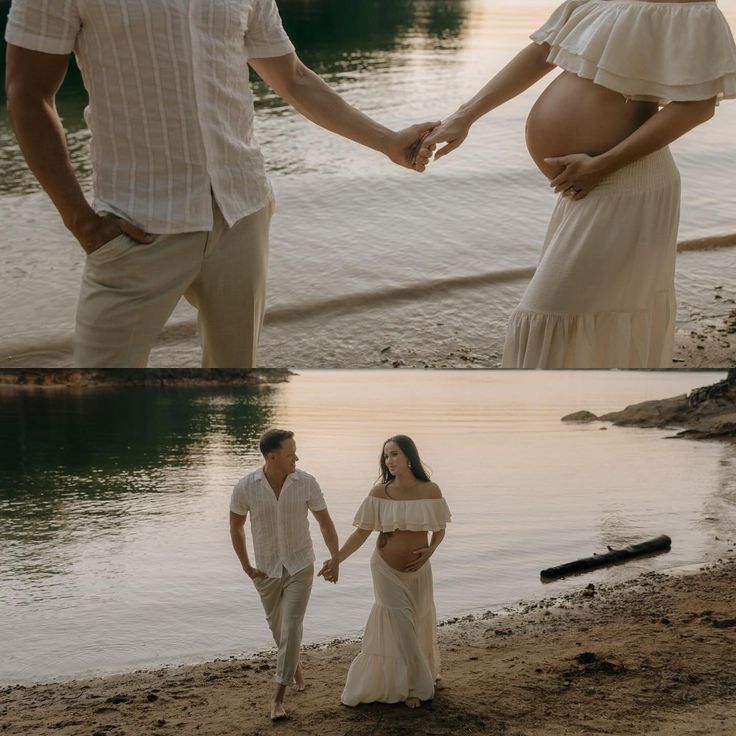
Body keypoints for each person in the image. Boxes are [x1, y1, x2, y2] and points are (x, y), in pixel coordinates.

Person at [4, 0, 436, 368]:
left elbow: (293, 78)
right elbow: (28, 93)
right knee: (99, 401)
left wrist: (388, 142)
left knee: (234, 394)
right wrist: (80, 220)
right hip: (137, 225)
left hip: (242, 213)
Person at [424, 0, 736, 369]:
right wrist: (465, 116)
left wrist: (604, 164)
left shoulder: (690, 8)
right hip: (585, 183)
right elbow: (543, 52)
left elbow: (698, 106)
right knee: (573, 316)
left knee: (554, 312)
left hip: (626, 180)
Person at [321, 435, 450, 709]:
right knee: (402, 627)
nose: (389, 461)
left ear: (409, 457)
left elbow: (439, 528)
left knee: (416, 624)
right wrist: (337, 559)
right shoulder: (380, 492)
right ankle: (414, 687)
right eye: (386, 456)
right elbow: (361, 533)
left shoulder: (431, 489)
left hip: (419, 571)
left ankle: (415, 677)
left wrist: (431, 551)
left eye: (394, 454)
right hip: (384, 569)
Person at [229, 428, 339, 722]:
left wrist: (336, 558)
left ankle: (277, 698)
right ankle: (295, 668)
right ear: (272, 457)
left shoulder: (307, 483)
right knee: (279, 631)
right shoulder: (245, 487)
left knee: (291, 628)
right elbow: (236, 527)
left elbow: (325, 523)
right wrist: (246, 566)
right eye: (291, 454)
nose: (297, 458)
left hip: (300, 565)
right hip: (265, 570)